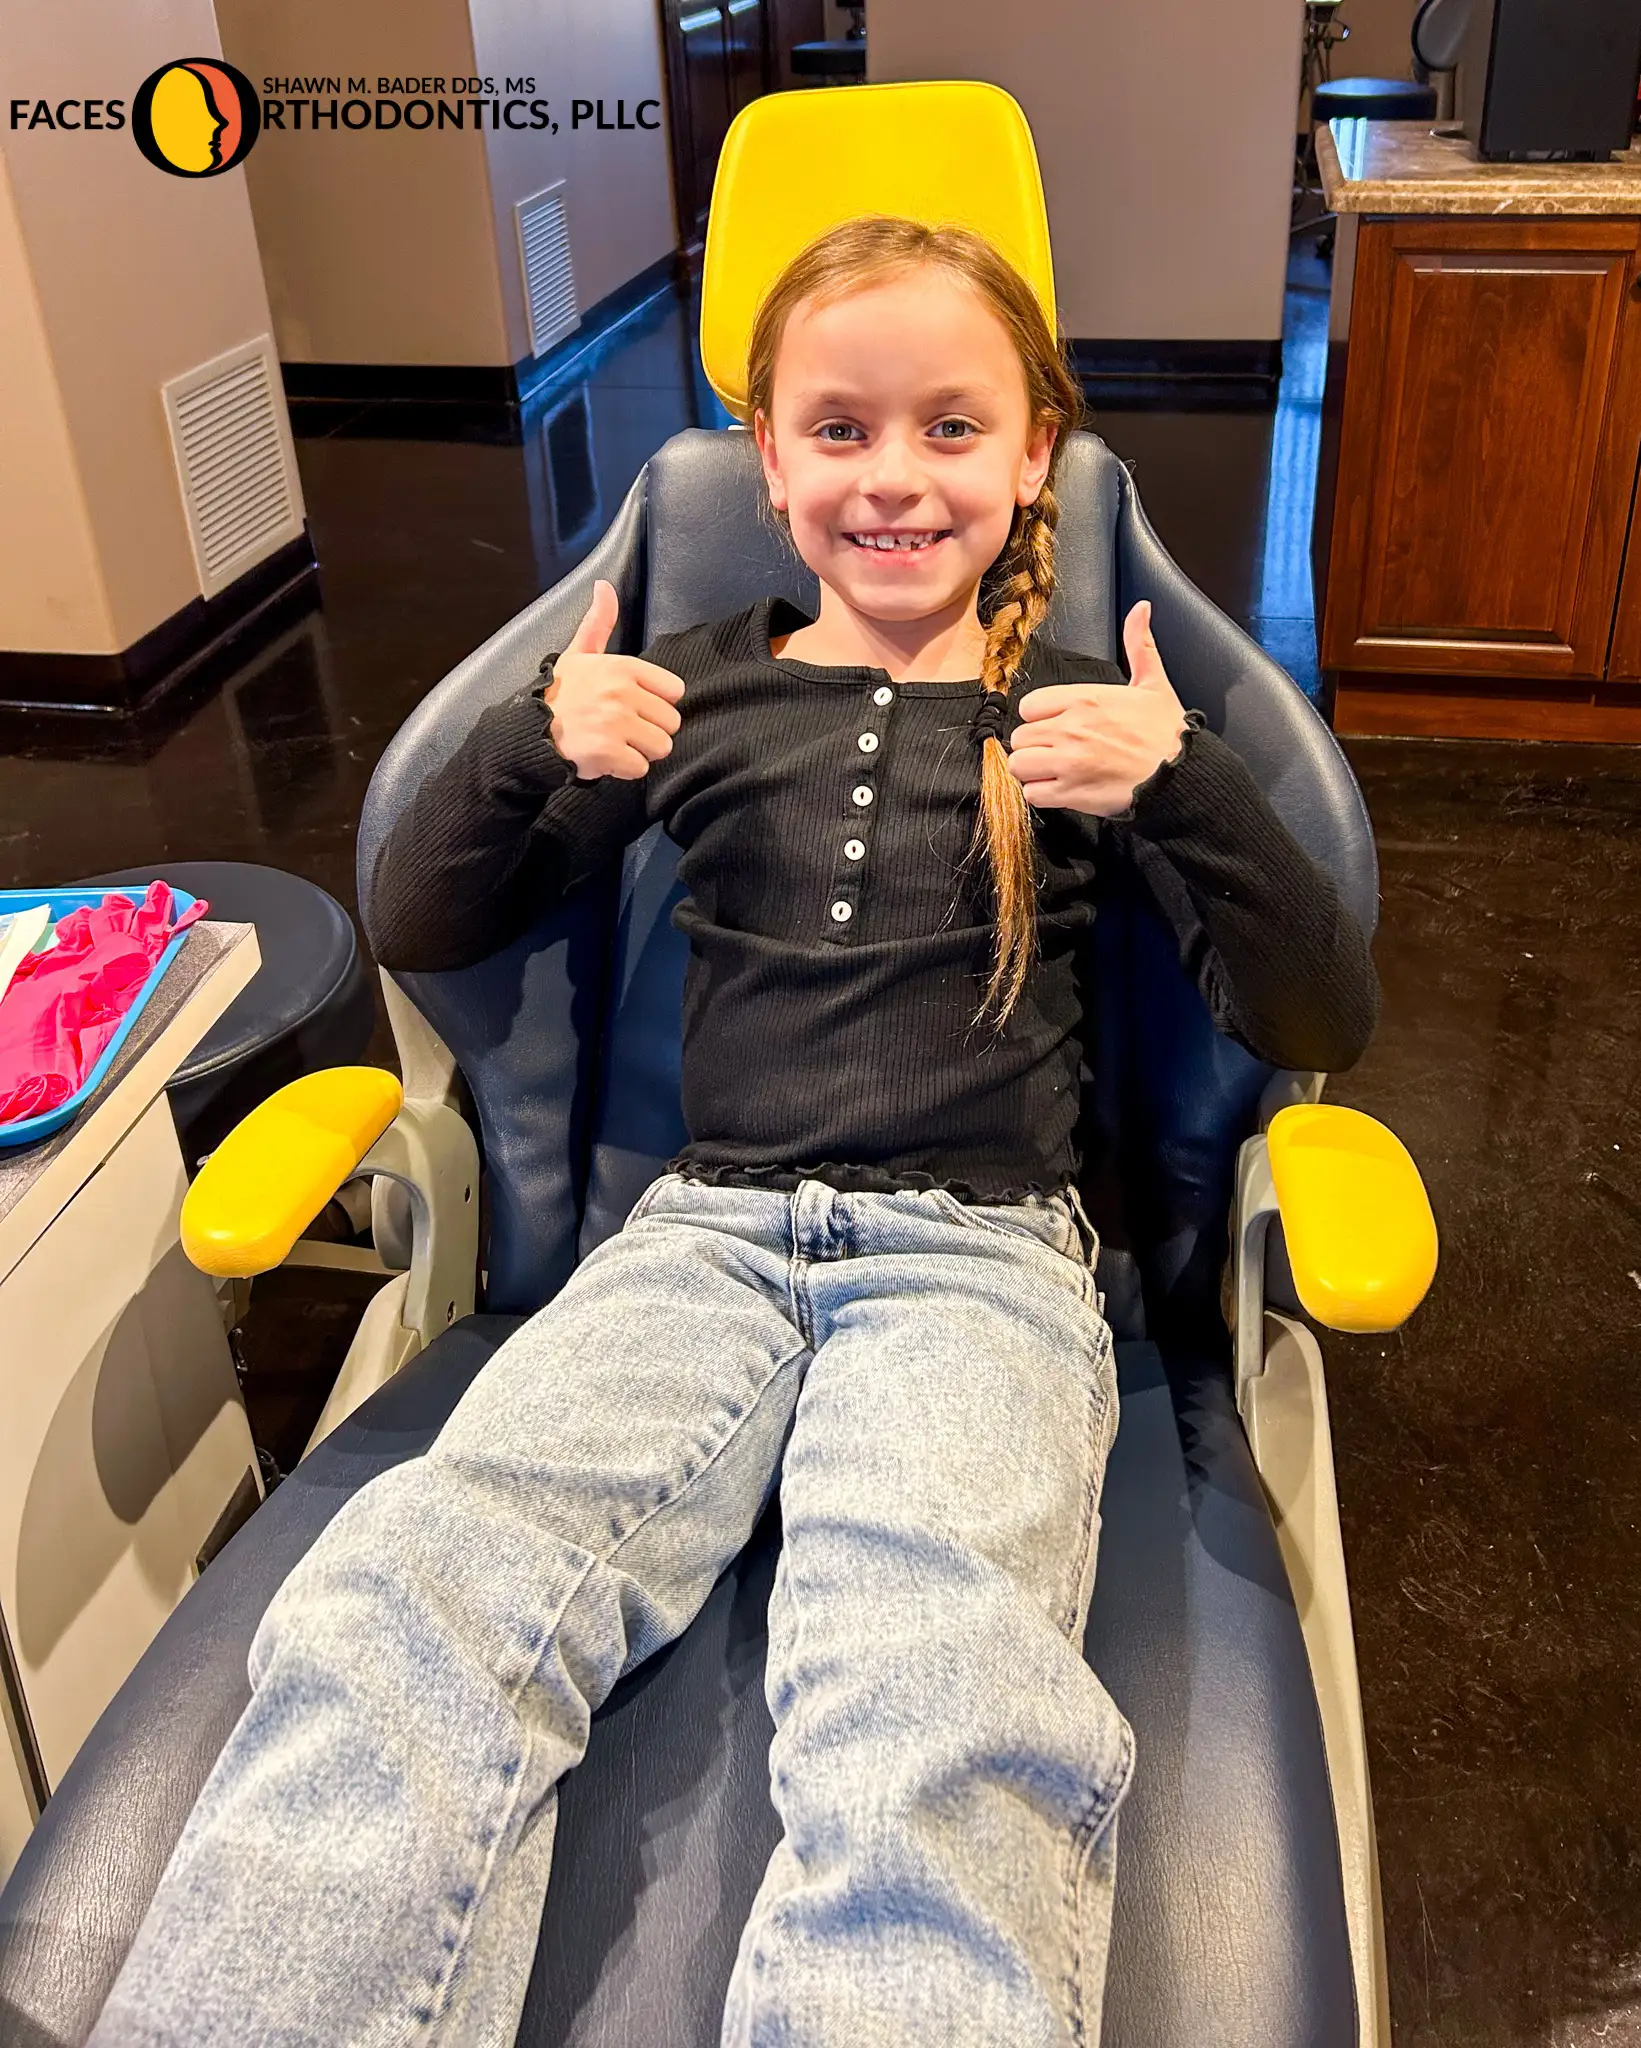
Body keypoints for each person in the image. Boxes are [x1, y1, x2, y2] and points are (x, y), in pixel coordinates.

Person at [88, 217, 1377, 2048]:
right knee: (407, 1597)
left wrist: (1188, 785)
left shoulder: (1078, 725)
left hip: (979, 1263)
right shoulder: (698, 685)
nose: (894, 476)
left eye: (951, 427)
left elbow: (1317, 1013)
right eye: (838, 430)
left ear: (1036, 456)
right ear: (766, 462)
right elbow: (434, 922)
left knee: (930, 1689)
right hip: (699, 1242)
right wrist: (543, 738)